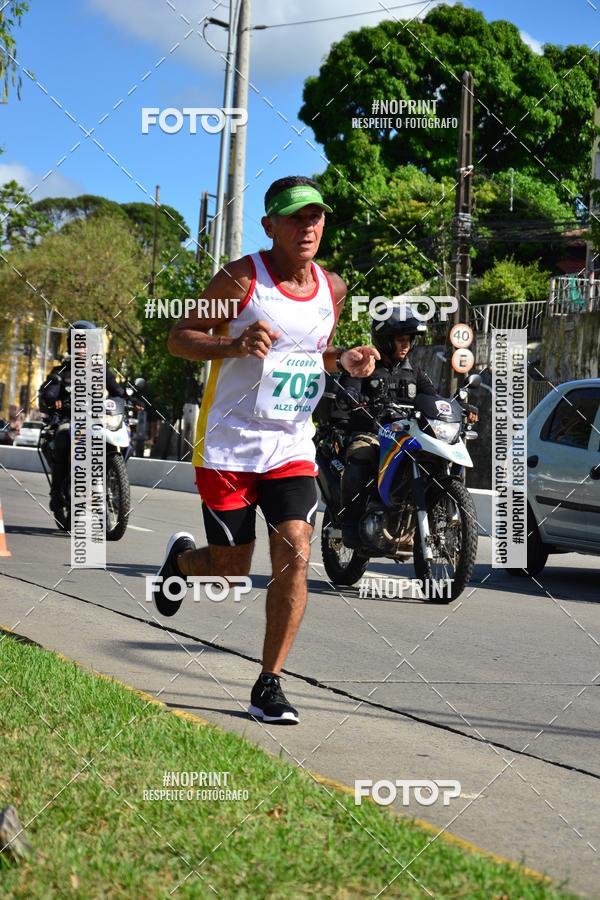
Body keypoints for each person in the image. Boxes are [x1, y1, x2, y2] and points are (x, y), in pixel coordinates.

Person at [155, 175, 379, 724]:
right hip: (229, 447)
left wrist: (341, 361)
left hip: (290, 445)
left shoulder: (333, 286)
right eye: (296, 217)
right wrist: (233, 343)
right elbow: (180, 337)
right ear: (269, 225)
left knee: (295, 550)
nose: (308, 227)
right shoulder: (240, 280)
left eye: (316, 217)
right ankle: (181, 562)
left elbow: (310, 354)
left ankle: (269, 684)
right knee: (232, 570)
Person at [336, 307, 437, 546]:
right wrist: (351, 394)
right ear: (385, 339)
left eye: (409, 340)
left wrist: (458, 408)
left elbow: (434, 398)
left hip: (404, 436)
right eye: (401, 339)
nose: (407, 345)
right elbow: (348, 386)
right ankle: (349, 523)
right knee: (361, 458)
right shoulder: (365, 364)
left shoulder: (415, 372)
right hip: (370, 433)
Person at [38, 320, 125, 514]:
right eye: (78, 343)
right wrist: (52, 398)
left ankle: (114, 478)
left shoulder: (101, 371)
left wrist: (131, 399)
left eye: (86, 343)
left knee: (122, 435)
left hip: (97, 421)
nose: (82, 347)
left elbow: (117, 391)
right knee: (62, 435)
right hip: (68, 421)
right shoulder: (60, 371)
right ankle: (56, 492)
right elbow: (49, 390)